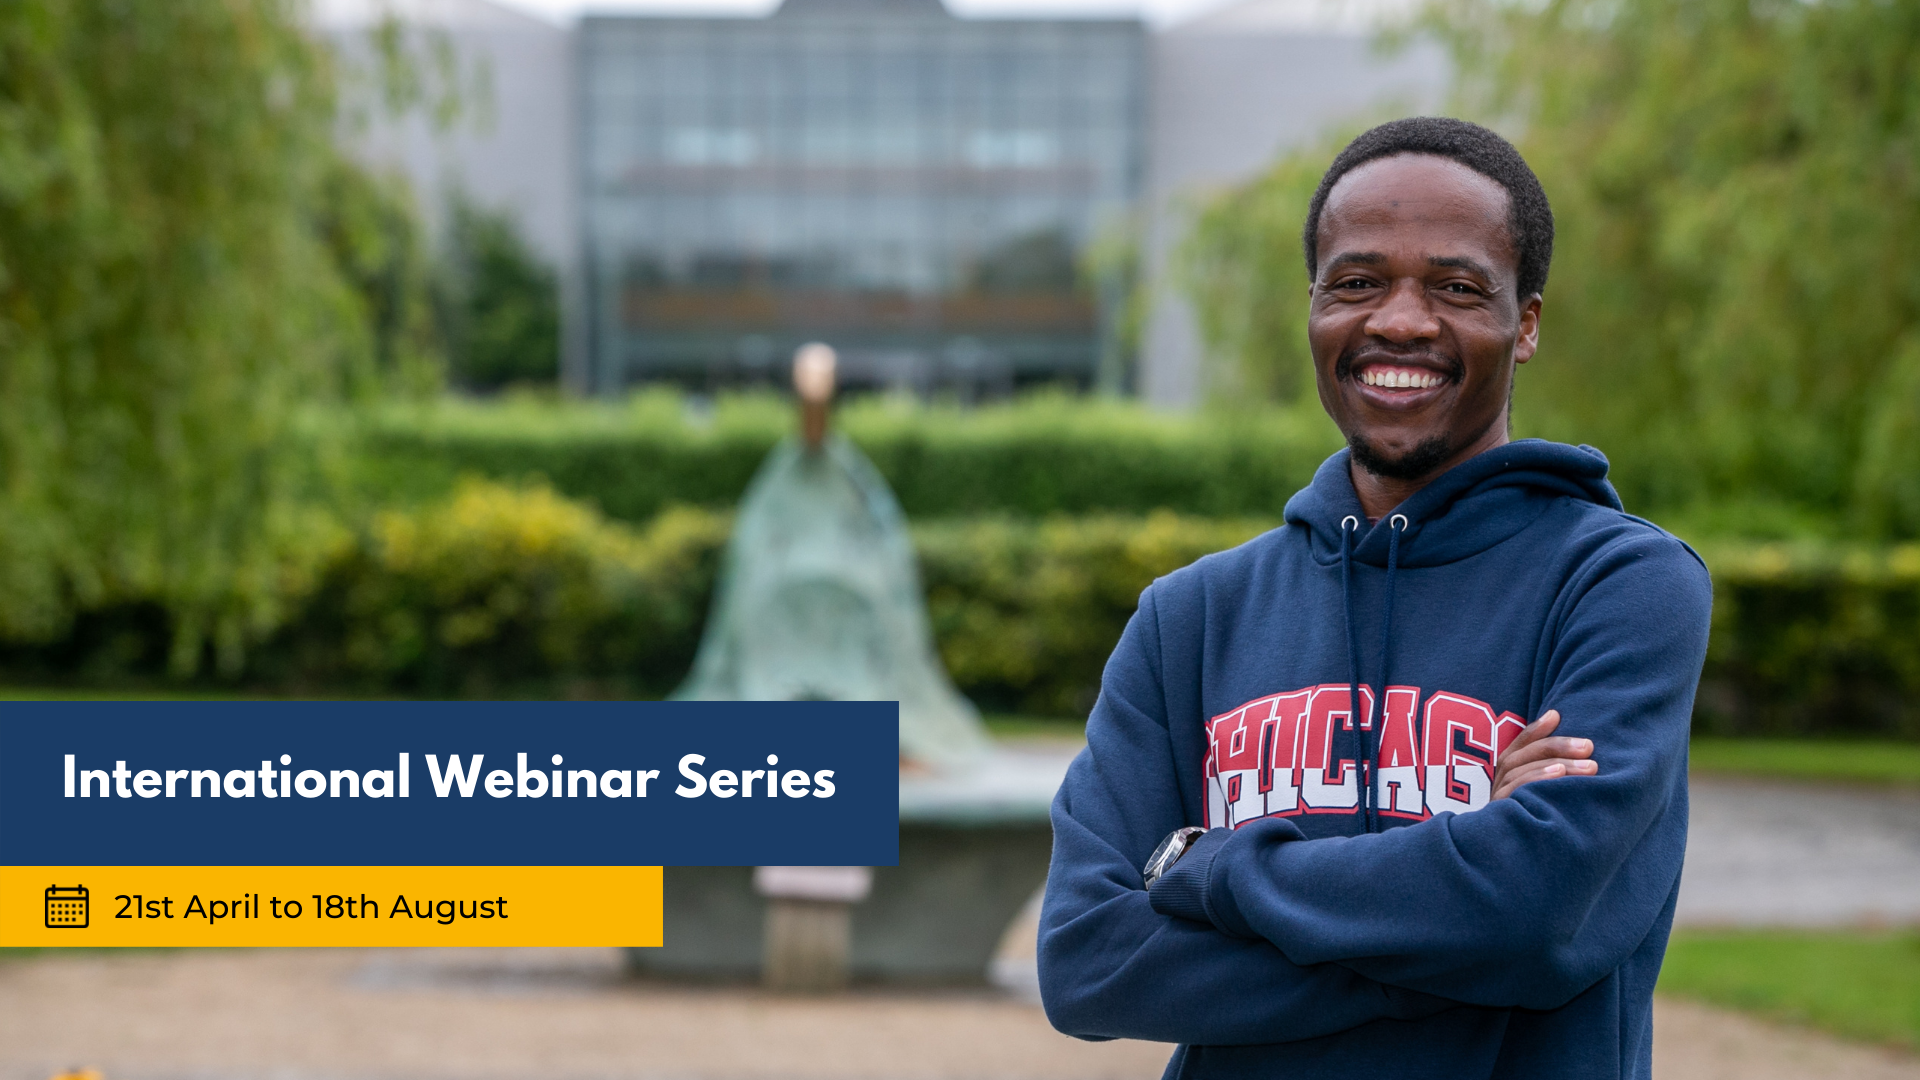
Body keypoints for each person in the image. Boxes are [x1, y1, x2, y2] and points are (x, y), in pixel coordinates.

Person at [1037, 117, 1713, 1080]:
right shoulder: (1189, 618)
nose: (1400, 320)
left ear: (1524, 324)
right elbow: (1086, 963)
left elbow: (1537, 908)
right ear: (1312, 309)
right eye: (1356, 283)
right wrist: (1465, 936)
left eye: (1456, 287)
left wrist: (1211, 868)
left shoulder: (1621, 585)